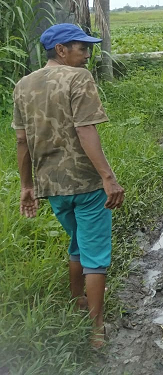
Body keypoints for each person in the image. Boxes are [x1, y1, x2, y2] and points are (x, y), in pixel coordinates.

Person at [12, 23, 125, 348]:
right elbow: (85, 129)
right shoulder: (78, 78)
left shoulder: (23, 85)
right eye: (82, 47)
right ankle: (96, 329)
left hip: (51, 185)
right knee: (95, 254)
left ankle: (78, 303)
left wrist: (27, 185)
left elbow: (22, 140)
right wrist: (107, 177)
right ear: (61, 50)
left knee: (78, 241)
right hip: (85, 182)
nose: (87, 54)